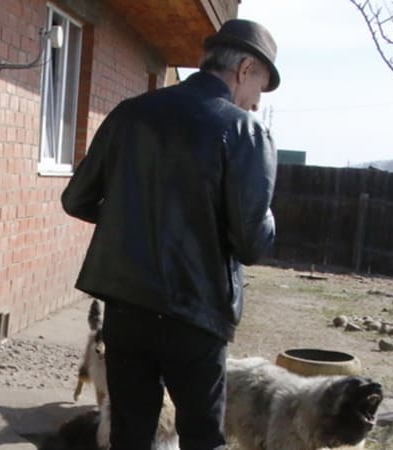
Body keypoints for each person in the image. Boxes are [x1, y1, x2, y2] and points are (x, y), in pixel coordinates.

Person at [61, 18, 280, 450]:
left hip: (127, 307)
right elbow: (252, 242)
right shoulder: (245, 132)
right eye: (261, 87)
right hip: (196, 314)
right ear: (244, 70)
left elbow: (76, 199)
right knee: (201, 436)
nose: (256, 102)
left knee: (129, 435)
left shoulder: (130, 114)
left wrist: (130, 220)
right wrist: (267, 207)